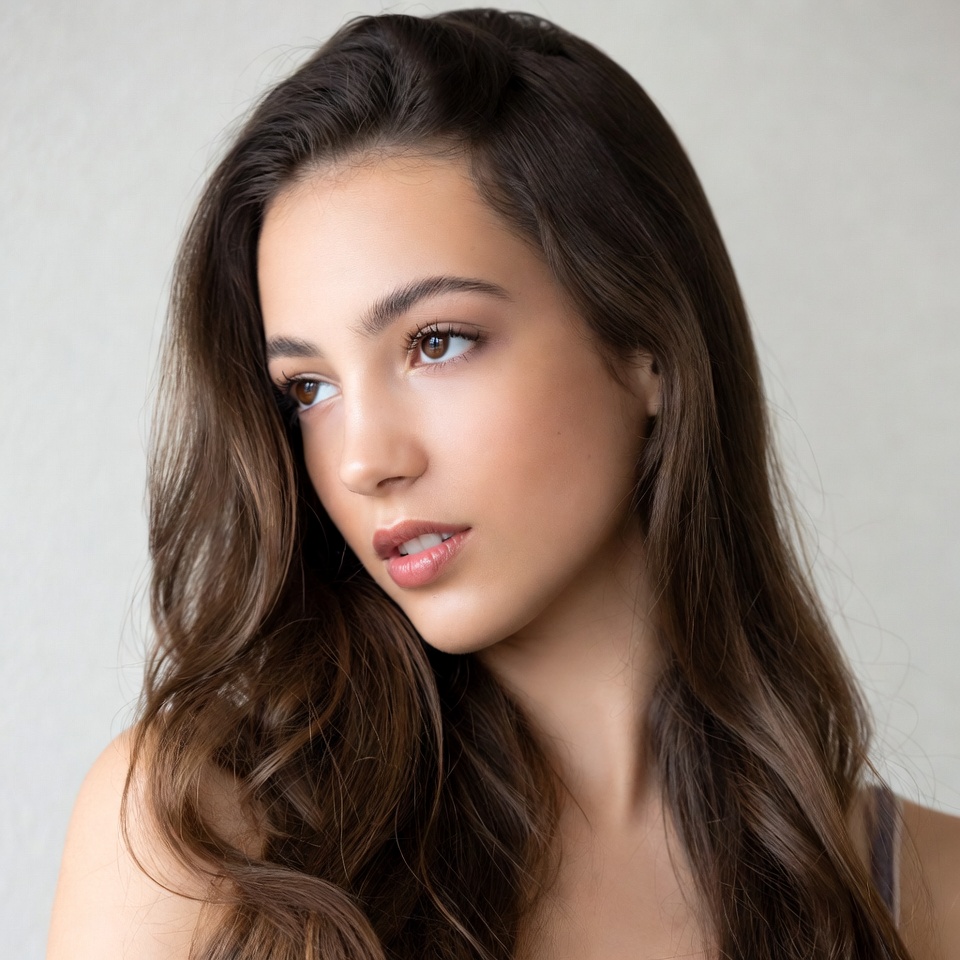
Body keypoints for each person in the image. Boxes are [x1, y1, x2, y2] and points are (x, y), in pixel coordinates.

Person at [47, 9, 960, 960]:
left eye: (436, 342)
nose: (364, 460)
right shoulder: (202, 839)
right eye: (309, 389)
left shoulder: (920, 896)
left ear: (646, 345)